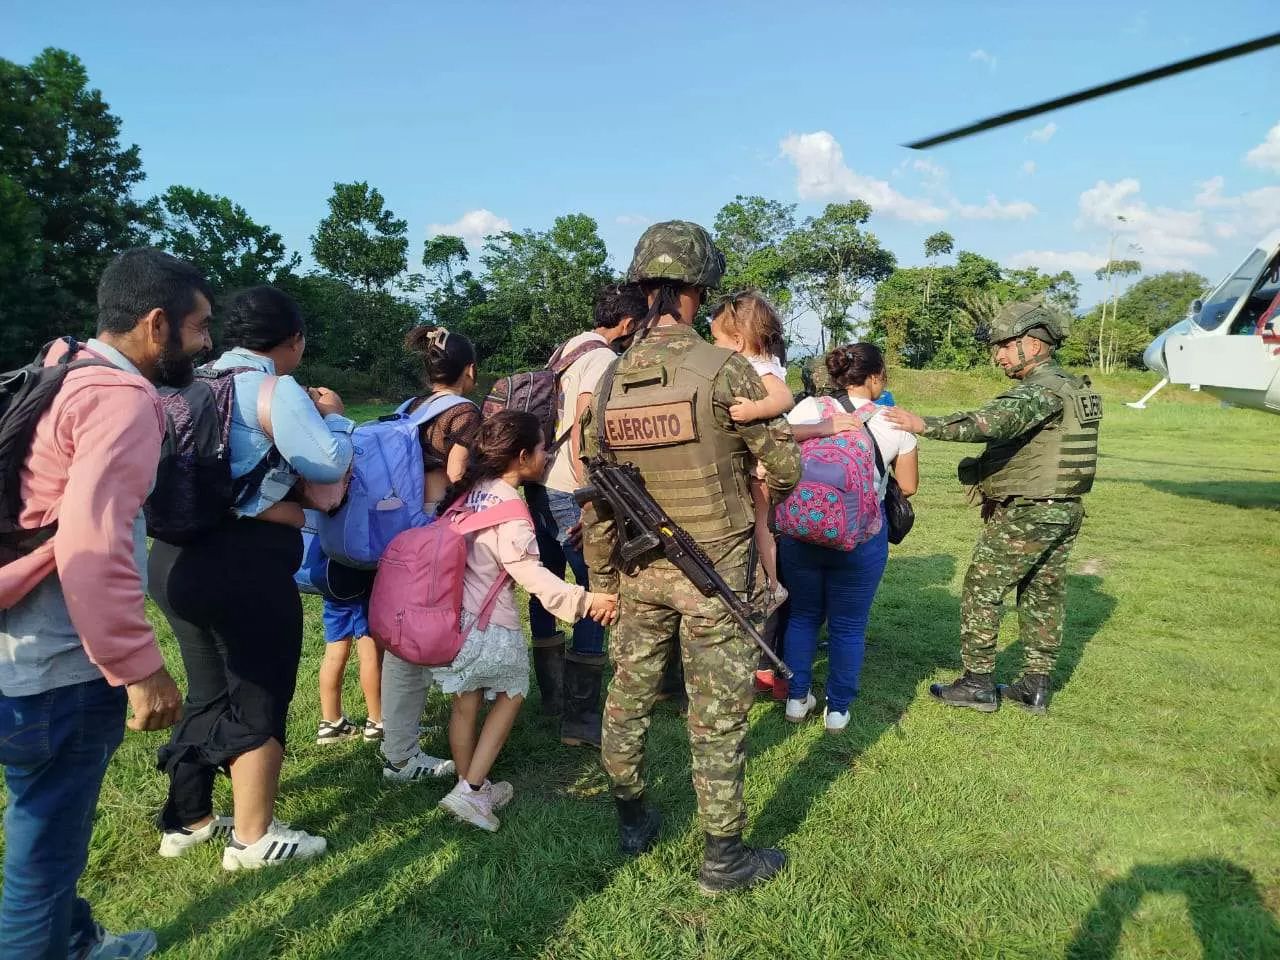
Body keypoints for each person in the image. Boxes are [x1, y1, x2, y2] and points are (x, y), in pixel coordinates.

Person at [579, 221, 802, 895]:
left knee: (628, 696)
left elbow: (596, 495)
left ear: (644, 286)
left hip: (638, 568)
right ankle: (723, 857)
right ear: (696, 290)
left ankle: (631, 820)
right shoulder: (722, 368)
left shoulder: (614, 378)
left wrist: (600, 579)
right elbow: (785, 466)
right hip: (717, 568)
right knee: (717, 711)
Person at [0, 247, 210, 959]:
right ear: (158, 325)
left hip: (13, 643)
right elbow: (95, 544)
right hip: (54, 667)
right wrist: (137, 666)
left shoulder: (61, 365)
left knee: (45, 830)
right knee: (43, 858)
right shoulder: (122, 403)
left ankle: (76, 941)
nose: (207, 343)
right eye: (201, 327)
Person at [149, 285, 354, 871]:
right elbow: (327, 465)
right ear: (292, 342)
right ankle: (253, 837)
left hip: (171, 559)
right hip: (244, 563)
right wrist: (335, 420)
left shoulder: (187, 381)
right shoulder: (273, 388)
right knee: (260, 690)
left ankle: (187, 820)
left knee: (209, 688)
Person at [883, 299, 1100, 715]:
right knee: (1042, 593)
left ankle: (978, 683)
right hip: (1063, 506)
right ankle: (1035, 683)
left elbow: (993, 422)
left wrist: (922, 424)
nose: (998, 356)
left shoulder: (1041, 391)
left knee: (982, 588)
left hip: (1031, 510)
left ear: (1033, 345)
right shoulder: (1074, 388)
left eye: (1005, 345)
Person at [433, 411, 617, 831]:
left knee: (466, 701)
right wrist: (583, 599)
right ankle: (470, 791)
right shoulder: (512, 505)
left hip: (457, 618)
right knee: (512, 695)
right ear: (520, 456)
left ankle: (471, 787)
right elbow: (528, 572)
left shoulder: (469, 492)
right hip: (492, 623)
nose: (546, 455)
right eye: (541, 449)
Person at [778, 343, 918, 733]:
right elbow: (908, 486)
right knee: (849, 625)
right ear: (874, 377)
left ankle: (795, 699)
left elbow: (776, 439)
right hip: (861, 538)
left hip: (801, 531)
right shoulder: (893, 421)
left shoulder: (809, 410)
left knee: (804, 616)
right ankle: (837, 710)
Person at [528, 282, 643, 749]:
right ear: (630, 323)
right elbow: (581, 427)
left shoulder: (569, 347)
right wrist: (588, 496)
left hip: (538, 479)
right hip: (567, 487)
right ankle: (579, 717)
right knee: (594, 590)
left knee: (547, 584)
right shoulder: (604, 359)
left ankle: (552, 697)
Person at [380, 326, 482, 782]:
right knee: (449, 622)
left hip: (397, 525)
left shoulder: (410, 408)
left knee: (404, 634)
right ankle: (411, 749)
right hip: (437, 524)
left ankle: (398, 741)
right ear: (470, 371)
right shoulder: (463, 412)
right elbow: (459, 470)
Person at [708, 291, 793, 612]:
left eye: (717, 339)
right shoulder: (749, 366)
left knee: (759, 526)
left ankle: (772, 586)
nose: (714, 346)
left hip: (760, 466)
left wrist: (755, 409)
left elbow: (784, 398)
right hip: (752, 462)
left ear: (738, 341)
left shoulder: (760, 368)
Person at [315, 587, 382, 744]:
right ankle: (378, 721)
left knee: (333, 652)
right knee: (370, 652)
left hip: (333, 585)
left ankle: (331, 723)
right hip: (361, 583)